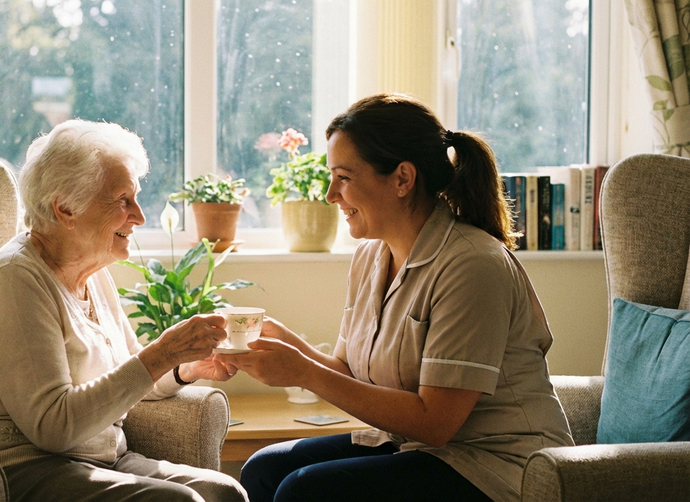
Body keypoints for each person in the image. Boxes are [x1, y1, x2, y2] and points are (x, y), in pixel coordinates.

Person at [218, 93, 574, 502]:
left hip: (498, 467)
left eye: (344, 177)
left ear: (403, 179)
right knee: (264, 469)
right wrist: (281, 341)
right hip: (418, 448)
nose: (331, 194)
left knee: (306, 491)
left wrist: (302, 372)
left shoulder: (473, 264)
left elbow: (435, 422)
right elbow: (351, 372)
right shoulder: (371, 255)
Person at [0, 119, 248, 502]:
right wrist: (161, 352)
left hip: (95, 460)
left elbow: (129, 375)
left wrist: (184, 365)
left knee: (223, 492)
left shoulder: (92, 273)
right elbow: (53, 427)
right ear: (65, 208)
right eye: (122, 200)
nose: (140, 216)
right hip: (12, 466)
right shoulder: (14, 279)